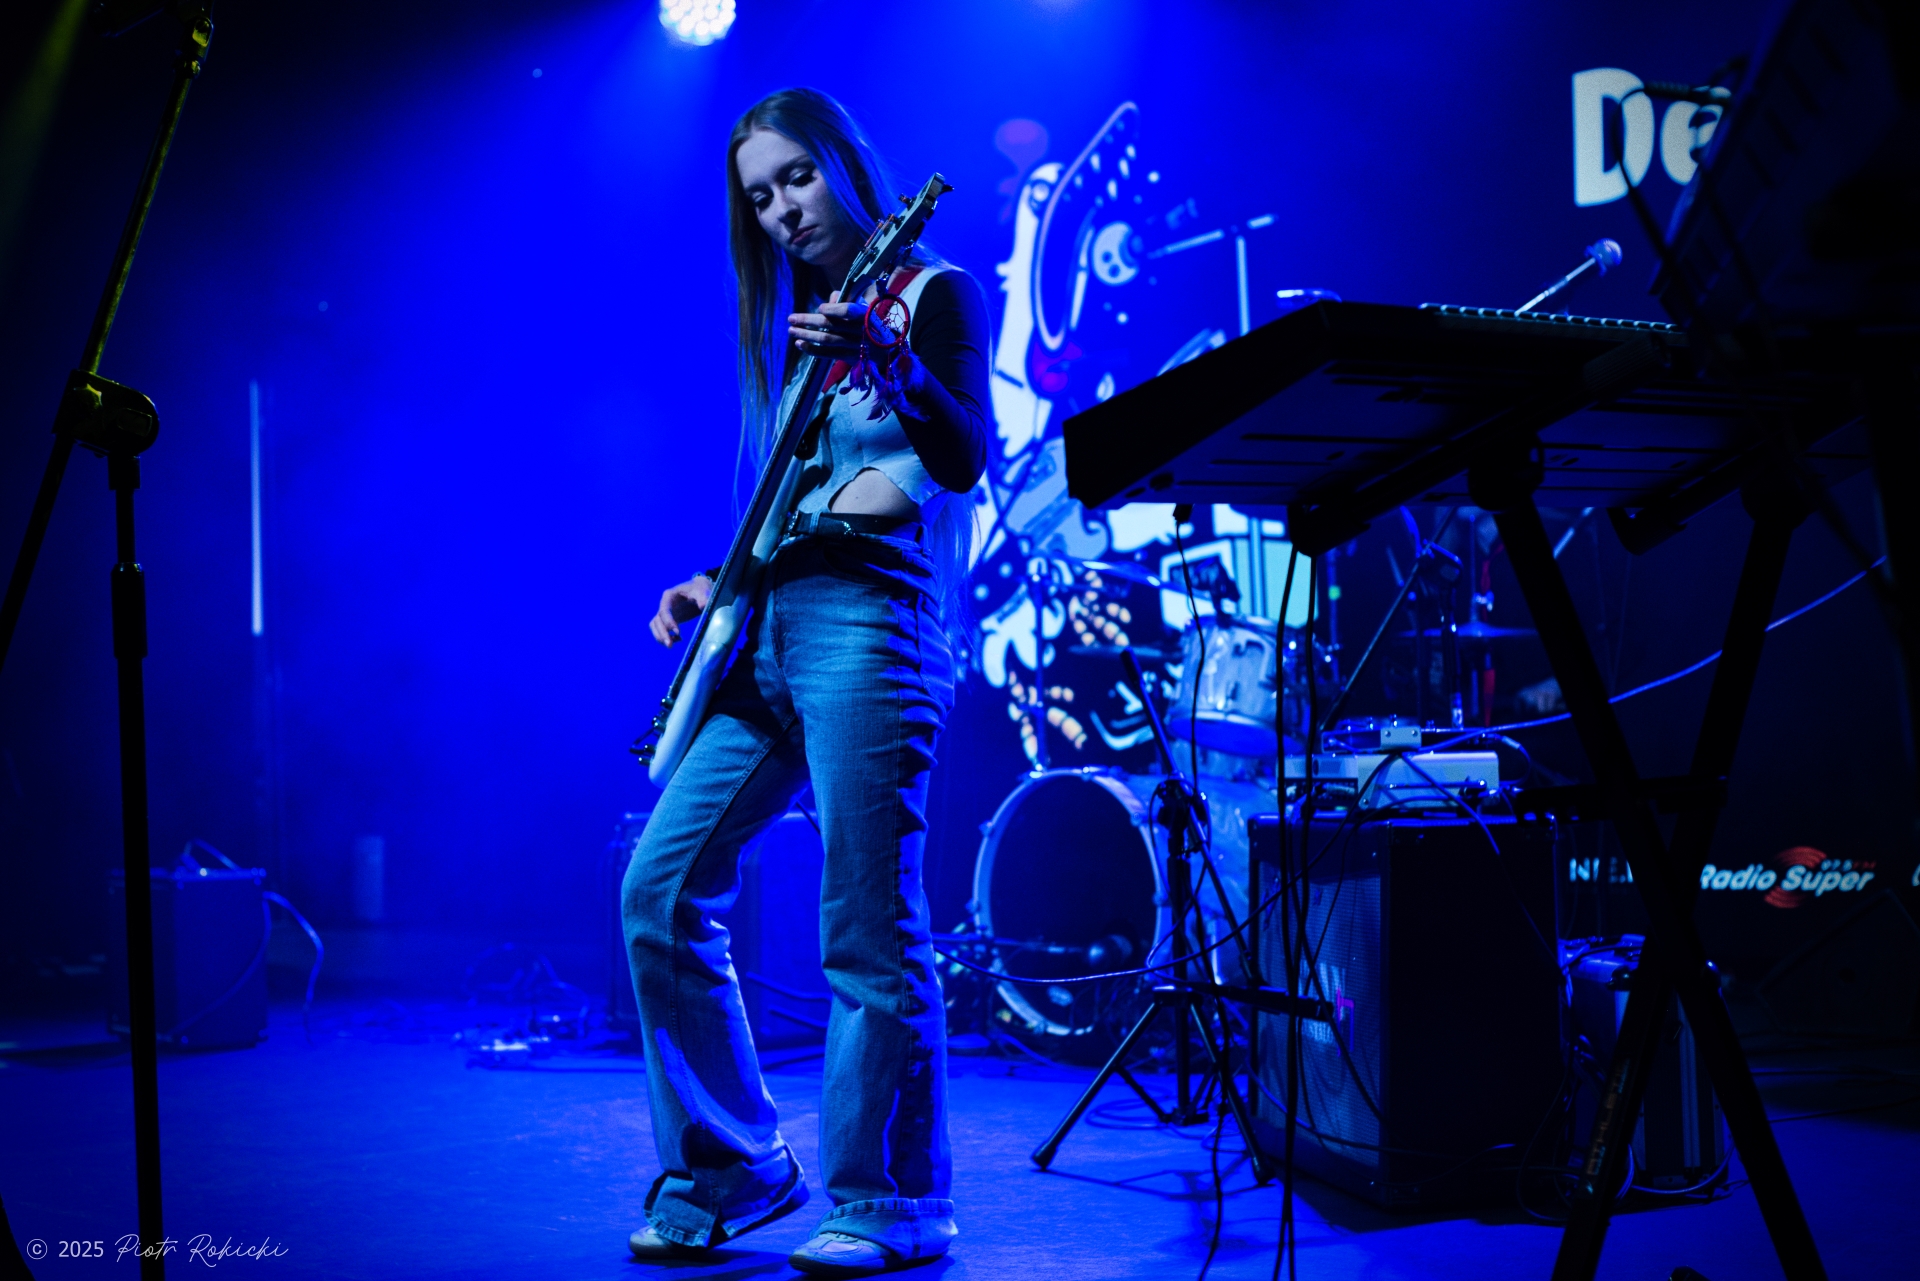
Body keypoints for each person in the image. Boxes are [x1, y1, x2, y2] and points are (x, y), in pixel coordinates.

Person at [621, 87, 990, 1277]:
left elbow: (963, 454)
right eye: (760, 195)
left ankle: (894, 1201)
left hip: (870, 623)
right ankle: (734, 1164)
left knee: (867, 924)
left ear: (843, 163)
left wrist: (890, 356)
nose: (783, 208)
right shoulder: (798, 332)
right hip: (770, 626)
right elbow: (793, 504)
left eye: (798, 176)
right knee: (659, 887)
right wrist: (710, 582)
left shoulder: (935, 294)